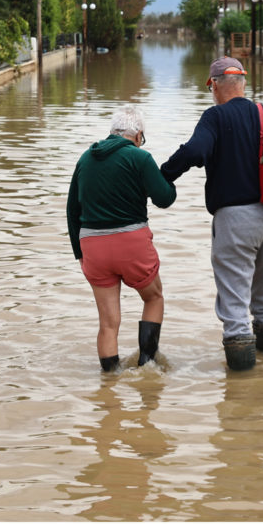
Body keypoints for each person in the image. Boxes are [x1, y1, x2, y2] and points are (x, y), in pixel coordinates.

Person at [160, 57, 263, 371]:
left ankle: (241, 391)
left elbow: (195, 151)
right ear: (243, 83)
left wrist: (163, 175)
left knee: (235, 308)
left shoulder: (215, 117)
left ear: (214, 86)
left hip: (235, 219)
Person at [67, 106, 177, 372]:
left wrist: (79, 253)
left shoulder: (85, 158)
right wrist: (168, 181)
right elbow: (164, 198)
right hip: (131, 242)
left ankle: (109, 382)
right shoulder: (140, 157)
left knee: (108, 323)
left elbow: (72, 210)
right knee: (153, 297)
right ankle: (147, 366)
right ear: (138, 135)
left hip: (92, 246)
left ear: (112, 131)